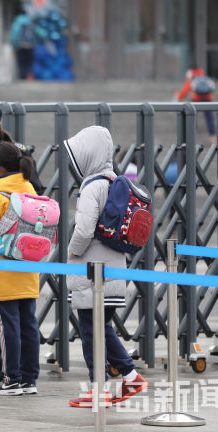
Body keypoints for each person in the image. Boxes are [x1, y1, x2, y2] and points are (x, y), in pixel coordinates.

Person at [62, 125, 147, 408]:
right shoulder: (113, 182)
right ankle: (130, 375)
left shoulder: (92, 186)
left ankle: (98, 388)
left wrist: (72, 251)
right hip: (111, 272)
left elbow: (84, 230)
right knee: (101, 328)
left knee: (91, 332)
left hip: (92, 272)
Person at [0, 142, 40, 396]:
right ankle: (28, 379)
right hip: (28, 267)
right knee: (28, 324)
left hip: (1, 270)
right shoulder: (32, 191)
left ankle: (10, 378)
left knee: (8, 326)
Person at [174, 65, 216, 144]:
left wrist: (178, 97)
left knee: (192, 115)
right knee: (209, 118)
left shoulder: (191, 75)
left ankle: (193, 133)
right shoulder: (203, 74)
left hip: (196, 99)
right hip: (208, 98)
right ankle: (213, 137)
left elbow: (186, 89)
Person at [10, 11, 36, 80]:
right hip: (31, 46)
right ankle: (29, 75)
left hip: (21, 46)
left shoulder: (17, 21)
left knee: (21, 63)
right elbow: (37, 31)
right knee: (29, 62)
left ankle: (22, 77)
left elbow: (14, 35)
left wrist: (14, 47)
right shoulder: (30, 20)